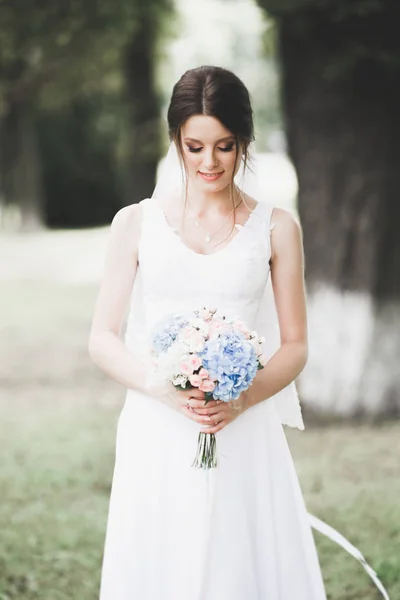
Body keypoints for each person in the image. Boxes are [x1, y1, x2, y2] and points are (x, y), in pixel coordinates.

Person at [89, 65, 327, 600]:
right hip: (157, 424)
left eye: (224, 146)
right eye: (194, 146)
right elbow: (102, 336)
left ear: (243, 140)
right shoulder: (135, 223)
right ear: (176, 140)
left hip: (242, 424)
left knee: (237, 564)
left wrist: (240, 402)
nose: (209, 162)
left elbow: (295, 345)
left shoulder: (277, 227)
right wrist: (161, 387)